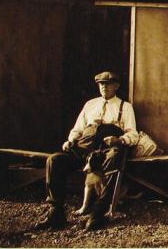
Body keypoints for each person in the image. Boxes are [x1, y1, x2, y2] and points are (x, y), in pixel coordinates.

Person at [35, 71, 138, 231]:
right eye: (101, 84)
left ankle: (97, 213)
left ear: (116, 86)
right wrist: (70, 140)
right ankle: (56, 213)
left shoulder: (125, 107)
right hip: (84, 147)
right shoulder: (90, 105)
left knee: (115, 158)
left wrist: (119, 140)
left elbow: (133, 134)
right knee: (54, 160)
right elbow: (78, 128)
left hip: (107, 150)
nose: (104, 87)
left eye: (108, 83)